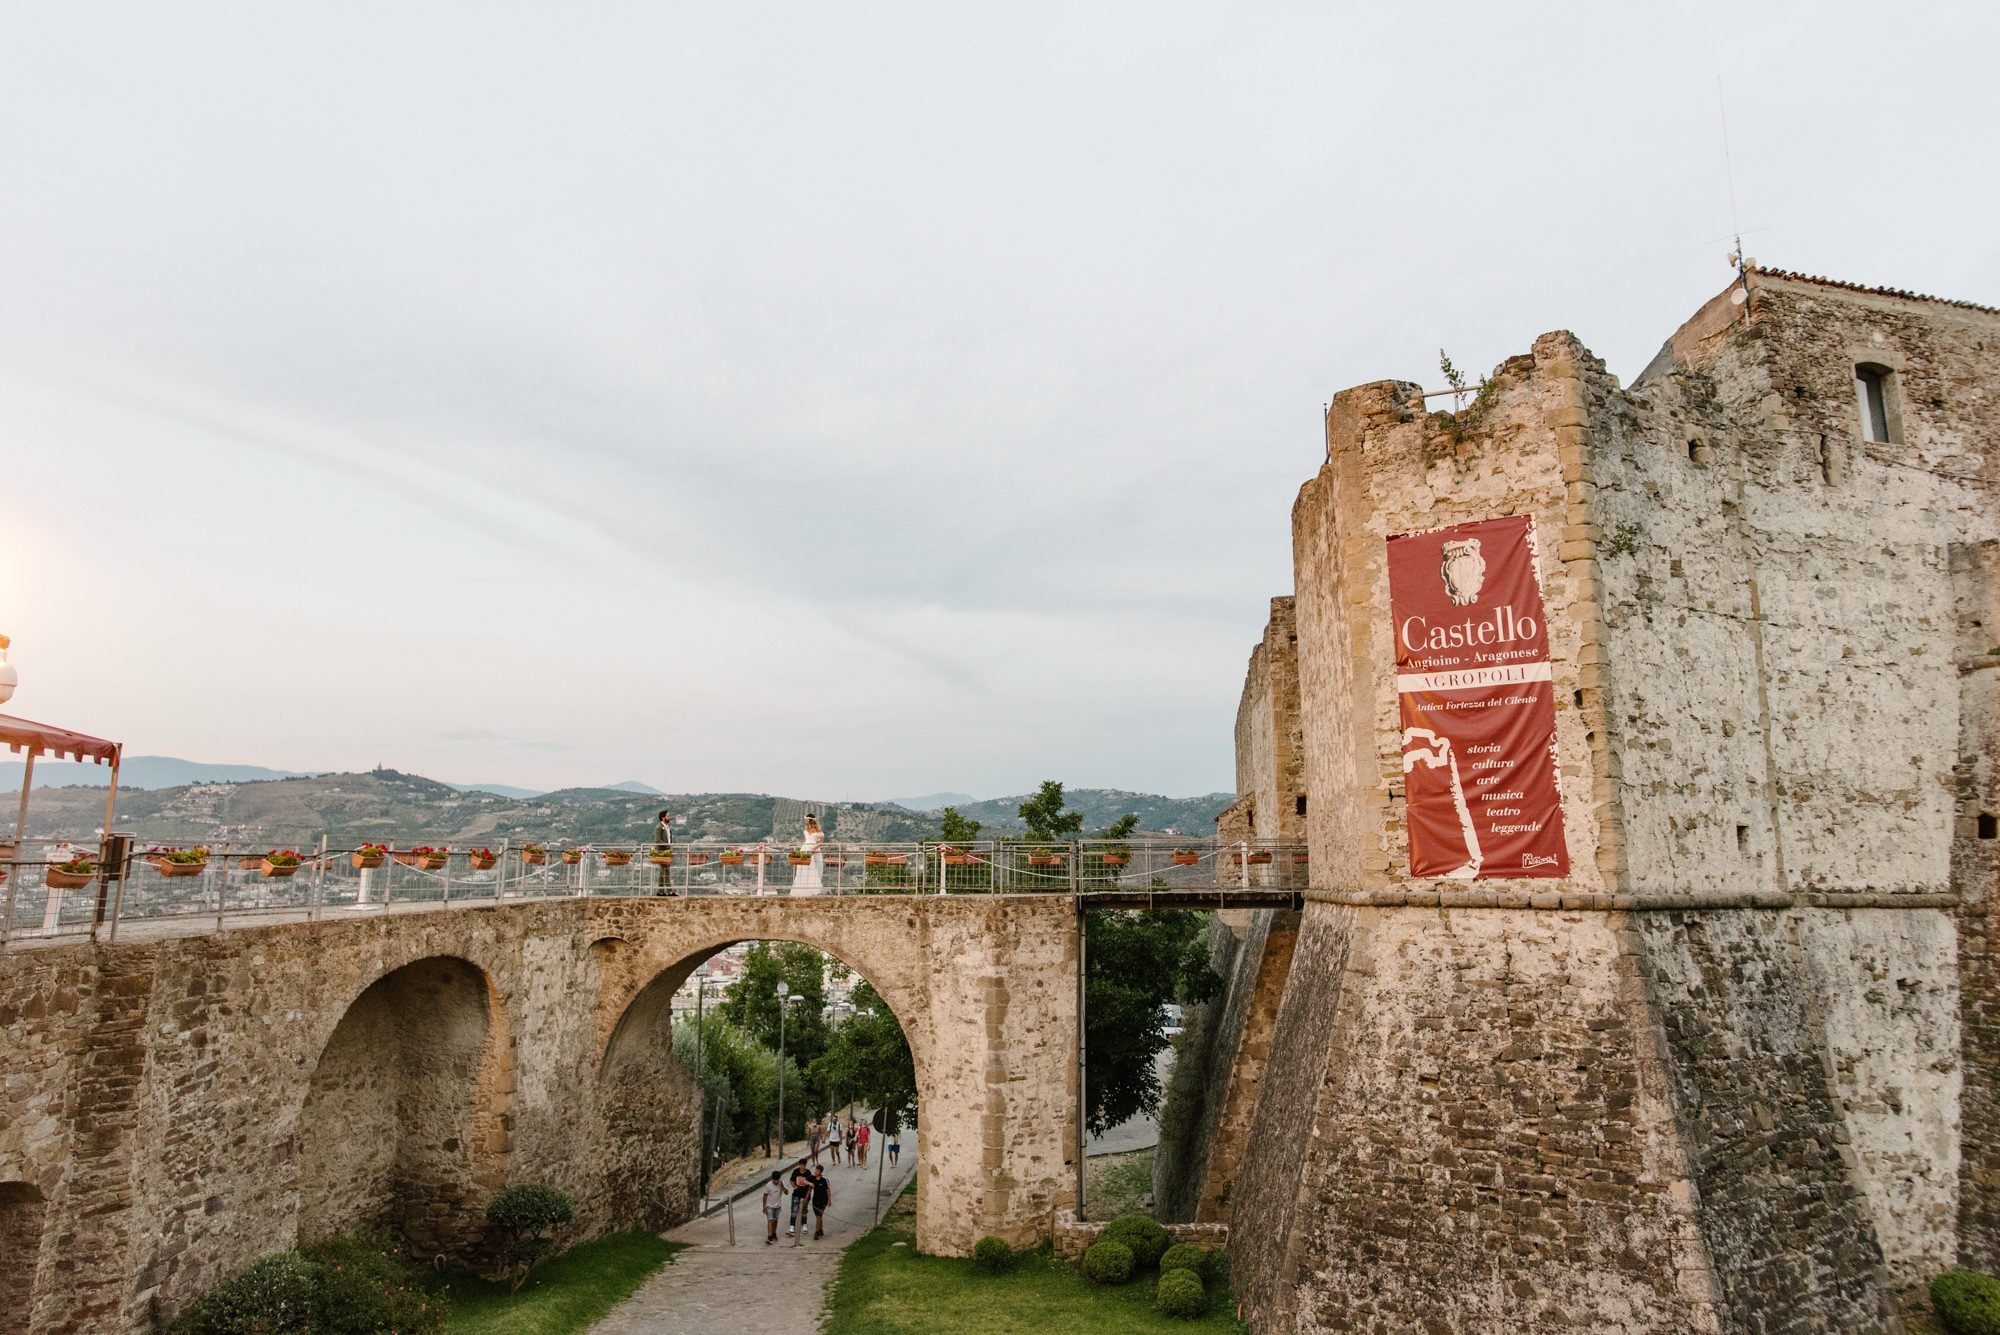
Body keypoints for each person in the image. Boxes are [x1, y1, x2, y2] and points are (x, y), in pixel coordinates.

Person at [791, 813, 825, 896]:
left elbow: (821, 842)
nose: (805, 821)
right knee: (802, 868)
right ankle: (802, 889)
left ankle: (812, 890)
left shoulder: (818, 829)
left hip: (813, 849)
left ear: (810, 820)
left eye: (807, 819)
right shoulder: (806, 828)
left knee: (812, 868)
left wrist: (814, 849)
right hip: (805, 848)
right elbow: (805, 840)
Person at [788, 1160, 814, 1238]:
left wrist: (807, 1197)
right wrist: (793, 1186)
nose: (802, 1167)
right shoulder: (795, 1172)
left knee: (804, 1210)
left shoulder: (808, 1173)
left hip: (805, 1194)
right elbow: (791, 1180)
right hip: (796, 1194)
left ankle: (804, 1225)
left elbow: (810, 1186)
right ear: (799, 1165)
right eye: (801, 1165)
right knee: (794, 1210)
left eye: (804, 1165)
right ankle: (792, 1227)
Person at [652, 810, 675, 897]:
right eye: (668, 816)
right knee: (666, 871)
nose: (669, 817)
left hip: (667, 852)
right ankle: (670, 891)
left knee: (663, 872)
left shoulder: (668, 828)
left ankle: (660, 891)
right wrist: (668, 846)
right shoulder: (659, 827)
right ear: (663, 817)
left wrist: (670, 848)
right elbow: (657, 840)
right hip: (662, 852)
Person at [762, 1171, 785, 1244]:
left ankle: (774, 1232)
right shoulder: (768, 1185)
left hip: (777, 1205)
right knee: (770, 1220)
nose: (776, 1182)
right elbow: (765, 1195)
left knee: (775, 1220)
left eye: (777, 1180)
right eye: (774, 1180)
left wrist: (782, 1186)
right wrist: (764, 1206)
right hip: (770, 1205)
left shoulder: (781, 1183)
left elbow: (786, 1192)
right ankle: (770, 1236)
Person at [811, 1165, 831, 1239]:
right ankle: (820, 1229)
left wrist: (829, 1200)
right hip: (815, 1199)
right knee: (818, 1215)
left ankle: (816, 1231)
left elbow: (828, 1190)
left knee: (819, 1214)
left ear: (821, 1172)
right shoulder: (812, 1178)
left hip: (823, 1200)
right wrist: (809, 1183)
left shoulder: (824, 1179)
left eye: (818, 1171)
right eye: (816, 1170)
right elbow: (805, 1181)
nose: (816, 1172)